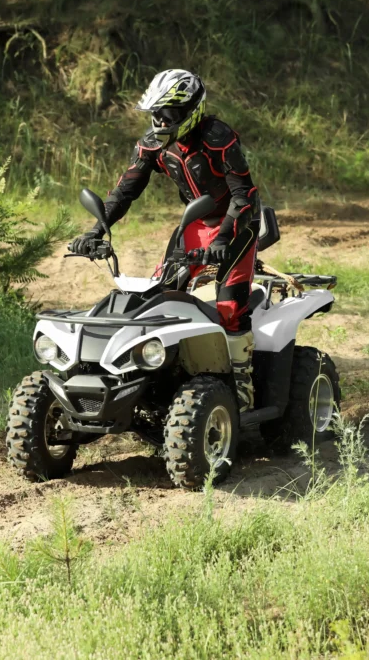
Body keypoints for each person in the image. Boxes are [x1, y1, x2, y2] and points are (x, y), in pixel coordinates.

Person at [68, 69, 260, 412]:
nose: (159, 122)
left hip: (237, 222)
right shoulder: (152, 144)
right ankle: (163, 372)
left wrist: (226, 237)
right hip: (195, 221)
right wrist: (96, 229)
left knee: (230, 307)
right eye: (155, 114)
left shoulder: (220, 139)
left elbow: (244, 195)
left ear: (191, 112)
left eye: (167, 114)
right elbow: (125, 190)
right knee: (160, 296)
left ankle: (244, 387)